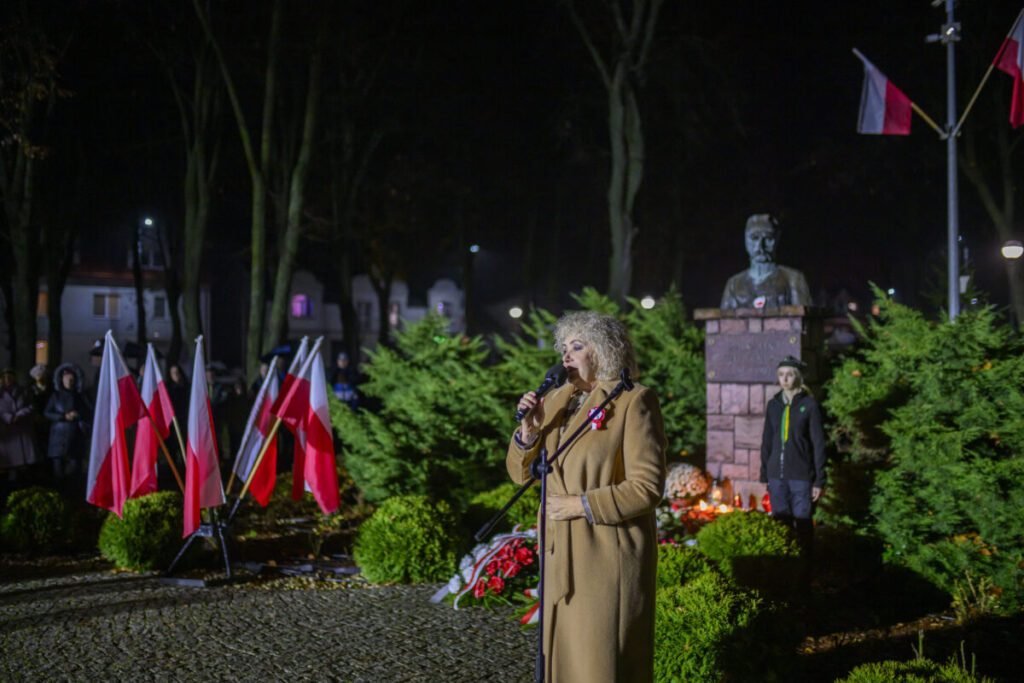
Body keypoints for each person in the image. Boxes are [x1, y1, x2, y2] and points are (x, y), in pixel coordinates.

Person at [509, 311, 667, 682]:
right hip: (559, 557)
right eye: (564, 347)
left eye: (576, 347)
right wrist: (527, 434)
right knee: (560, 663)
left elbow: (646, 488)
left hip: (604, 560)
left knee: (598, 665)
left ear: (604, 351)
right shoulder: (557, 400)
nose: (565, 356)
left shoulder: (634, 401)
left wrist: (579, 504)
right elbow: (520, 475)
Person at [759, 356, 826, 553]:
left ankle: (805, 567)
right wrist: (764, 473)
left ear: (797, 377)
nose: (784, 379)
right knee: (781, 523)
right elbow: (767, 441)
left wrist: (819, 481)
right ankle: (785, 567)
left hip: (801, 477)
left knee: (803, 523)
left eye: (789, 375)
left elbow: (818, 443)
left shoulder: (810, 406)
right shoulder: (773, 405)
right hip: (776, 476)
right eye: (781, 375)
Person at [720, 213, 812, 309]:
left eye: (768, 239)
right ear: (746, 240)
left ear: (777, 239)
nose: (760, 246)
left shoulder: (794, 280)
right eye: (754, 238)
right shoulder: (734, 284)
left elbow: (804, 319)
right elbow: (722, 321)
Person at [44, 364, 92, 495]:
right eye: (67, 379)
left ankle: (72, 495)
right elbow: (47, 413)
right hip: (58, 438)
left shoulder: (81, 396)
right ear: (62, 380)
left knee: (74, 469)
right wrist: (62, 416)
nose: (69, 382)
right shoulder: (55, 396)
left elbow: (88, 412)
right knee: (57, 471)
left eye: (72, 379)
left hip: (75, 437)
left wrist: (78, 414)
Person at [0, 368, 38, 491]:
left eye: (10, 376)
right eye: (5, 377)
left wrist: (20, 415)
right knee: (5, 468)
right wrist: (8, 417)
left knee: (22, 468)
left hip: (21, 430)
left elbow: (31, 406)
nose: (8, 379)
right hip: (6, 431)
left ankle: (22, 490)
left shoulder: (23, 391)